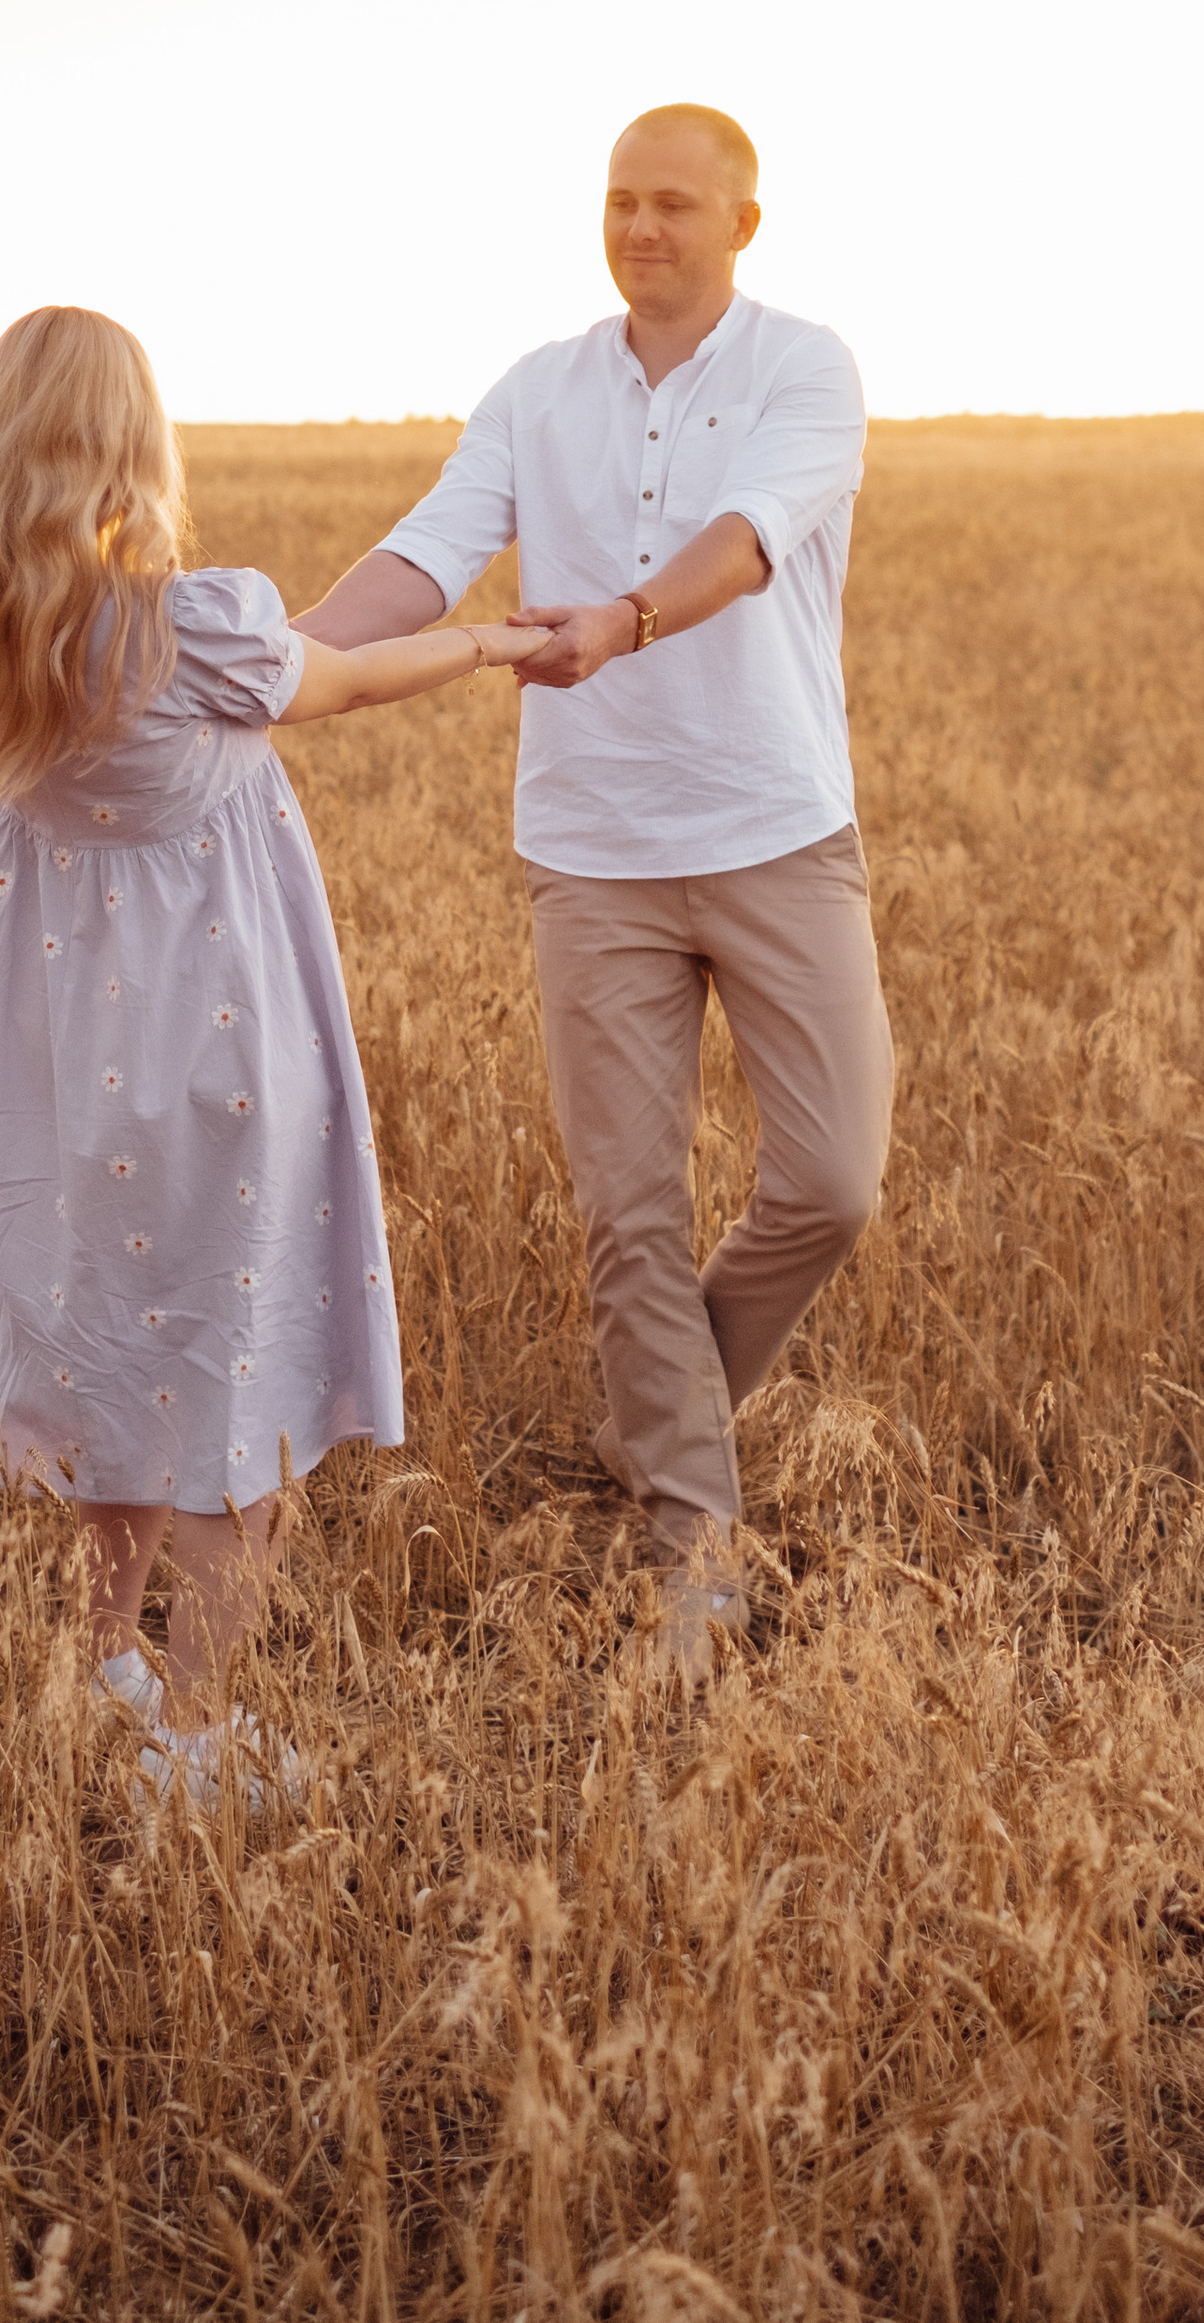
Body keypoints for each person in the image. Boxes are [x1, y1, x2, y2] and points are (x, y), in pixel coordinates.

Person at [0, 303, 550, 1800]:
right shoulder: (201, 626)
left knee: (121, 1366)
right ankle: (193, 1734)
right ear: (136, 444)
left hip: (72, 1088)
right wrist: (493, 639)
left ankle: (103, 1666)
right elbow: (344, 677)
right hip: (234, 1073)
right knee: (235, 1400)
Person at [292, 105, 893, 1679]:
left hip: (775, 832)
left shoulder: (801, 368)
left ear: (742, 223)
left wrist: (623, 621)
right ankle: (693, 1558)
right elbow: (428, 558)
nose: (643, 227)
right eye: (622, 201)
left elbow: (750, 543)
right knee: (631, 1218)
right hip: (592, 857)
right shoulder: (535, 391)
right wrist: (280, 661)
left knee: (832, 1182)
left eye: (676, 205)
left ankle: (653, 1416)